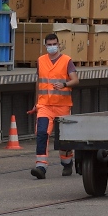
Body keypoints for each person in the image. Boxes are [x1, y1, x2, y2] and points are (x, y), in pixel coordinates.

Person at [28, 32, 79, 178]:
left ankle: (67, 163)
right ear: (45, 46)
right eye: (49, 45)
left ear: (59, 45)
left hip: (62, 106)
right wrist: (36, 103)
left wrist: (64, 84)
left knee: (64, 137)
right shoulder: (41, 60)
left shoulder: (67, 61)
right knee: (42, 133)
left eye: (54, 44)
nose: (52, 47)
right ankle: (41, 167)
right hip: (44, 106)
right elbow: (38, 83)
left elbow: (75, 80)